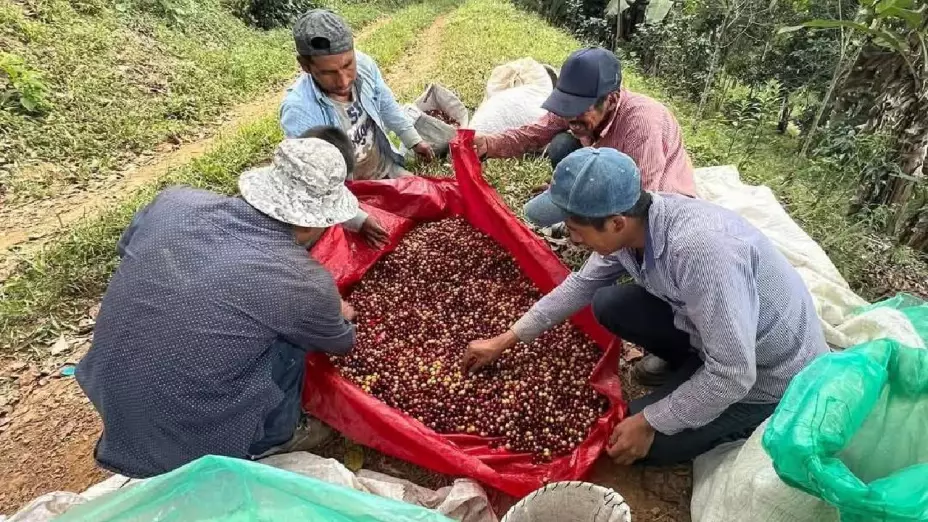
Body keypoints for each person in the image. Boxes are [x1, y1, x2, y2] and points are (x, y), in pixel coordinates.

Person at [462, 147, 827, 466]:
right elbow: (581, 285)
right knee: (609, 303)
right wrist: (505, 340)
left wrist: (650, 421)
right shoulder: (634, 227)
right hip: (715, 338)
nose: (571, 240)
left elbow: (734, 373)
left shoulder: (701, 253)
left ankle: (744, 414)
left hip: (768, 377)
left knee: (629, 442)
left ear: (616, 222)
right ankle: (690, 368)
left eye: (575, 229)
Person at [77, 135, 361, 478]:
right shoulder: (302, 281)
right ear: (313, 221)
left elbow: (127, 249)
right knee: (294, 343)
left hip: (108, 391)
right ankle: (273, 437)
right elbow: (341, 342)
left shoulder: (173, 203)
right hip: (197, 439)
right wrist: (338, 310)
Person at [472, 47, 696, 227]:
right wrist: (488, 144)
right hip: (604, 175)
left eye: (579, 110)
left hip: (657, 200)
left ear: (610, 100)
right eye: (566, 107)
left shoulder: (642, 124)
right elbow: (533, 134)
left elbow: (643, 198)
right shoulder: (574, 108)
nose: (571, 118)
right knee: (560, 150)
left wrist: (595, 228)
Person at [280, 9, 434, 247]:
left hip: (384, 169)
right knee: (368, 242)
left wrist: (413, 140)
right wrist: (358, 219)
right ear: (305, 66)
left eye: (348, 64)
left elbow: (386, 104)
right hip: (347, 193)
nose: (343, 81)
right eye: (328, 73)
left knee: (429, 200)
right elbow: (314, 184)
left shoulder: (365, 65)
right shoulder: (299, 111)